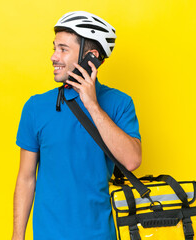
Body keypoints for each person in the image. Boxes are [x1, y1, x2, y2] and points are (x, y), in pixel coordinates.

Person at [12, 11, 142, 240]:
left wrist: (92, 105)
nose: (53, 57)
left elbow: (132, 161)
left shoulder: (120, 103)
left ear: (90, 56)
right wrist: (17, 236)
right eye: (54, 48)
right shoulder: (35, 107)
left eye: (63, 49)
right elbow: (26, 177)